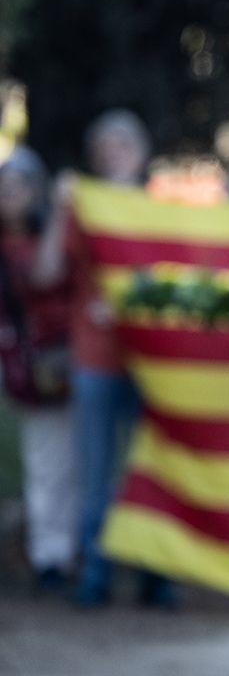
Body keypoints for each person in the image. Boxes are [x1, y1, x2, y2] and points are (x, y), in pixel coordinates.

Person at [32, 108, 174, 607]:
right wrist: (60, 209)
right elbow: (46, 273)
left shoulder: (162, 211)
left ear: (141, 152)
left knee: (154, 467)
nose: (115, 154)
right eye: (105, 147)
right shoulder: (82, 207)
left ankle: (155, 576)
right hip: (94, 359)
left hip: (153, 362)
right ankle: (95, 572)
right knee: (96, 471)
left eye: (123, 144)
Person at [0, 147, 77, 592]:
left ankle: (65, 552)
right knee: (44, 462)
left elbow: (45, 276)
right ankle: (48, 553)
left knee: (70, 462)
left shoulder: (53, 234)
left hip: (61, 362)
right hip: (22, 364)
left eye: (18, 187)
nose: (10, 196)